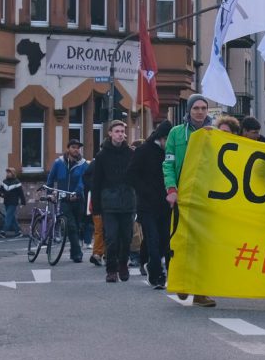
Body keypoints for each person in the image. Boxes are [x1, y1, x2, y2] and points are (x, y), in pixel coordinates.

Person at [163, 94, 217, 307]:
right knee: (183, 243)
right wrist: (171, 189)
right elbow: (168, 163)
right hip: (183, 195)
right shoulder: (176, 134)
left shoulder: (215, 134)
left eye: (204, 108)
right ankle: (183, 284)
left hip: (207, 196)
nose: (200, 112)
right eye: (196, 108)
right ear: (189, 110)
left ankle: (201, 292)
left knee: (203, 244)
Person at [129, 120, 172, 289]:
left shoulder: (170, 152)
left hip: (165, 205)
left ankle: (154, 266)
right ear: (161, 138)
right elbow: (131, 174)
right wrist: (144, 191)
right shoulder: (143, 151)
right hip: (147, 205)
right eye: (168, 139)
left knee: (165, 242)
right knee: (153, 240)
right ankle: (157, 276)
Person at [91, 120, 135, 283]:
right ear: (110, 133)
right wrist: (96, 207)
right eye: (117, 131)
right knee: (111, 238)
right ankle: (111, 269)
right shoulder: (102, 155)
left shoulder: (131, 153)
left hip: (128, 202)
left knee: (126, 237)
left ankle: (123, 263)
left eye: (122, 131)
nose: (120, 134)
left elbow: (137, 177)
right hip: (109, 203)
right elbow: (96, 182)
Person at [47, 138, 88, 263]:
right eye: (73, 147)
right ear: (68, 149)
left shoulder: (84, 164)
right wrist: (49, 193)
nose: (76, 150)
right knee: (71, 226)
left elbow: (83, 180)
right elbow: (51, 178)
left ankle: (73, 251)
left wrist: (77, 192)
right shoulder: (58, 163)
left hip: (78, 199)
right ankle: (77, 254)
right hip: (64, 199)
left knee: (78, 225)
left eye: (78, 148)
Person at [0, 168, 25, 238]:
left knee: (8, 216)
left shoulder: (17, 182)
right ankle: (18, 231)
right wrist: (1, 194)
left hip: (13, 202)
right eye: (7, 172)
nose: (7, 174)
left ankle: (3, 231)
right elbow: (1, 191)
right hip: (6, 201)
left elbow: (21, 193)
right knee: (12, 217)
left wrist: (23, 201)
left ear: (13, 173)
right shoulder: (4, 181)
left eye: (9, 172)